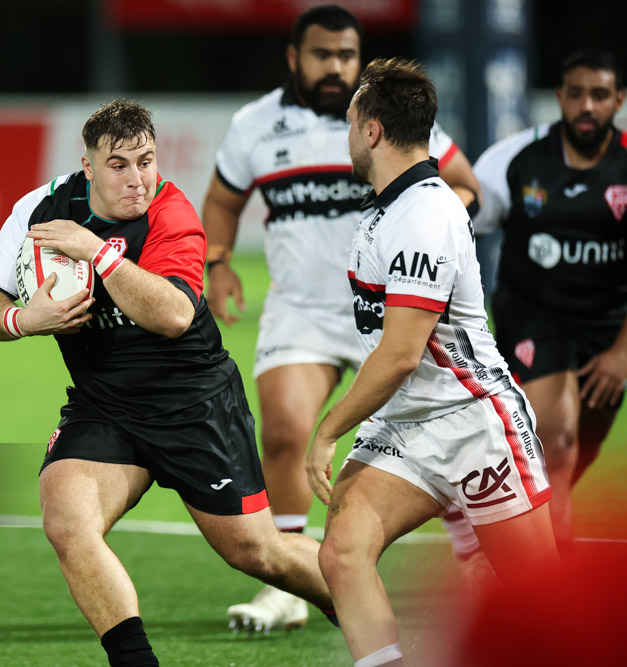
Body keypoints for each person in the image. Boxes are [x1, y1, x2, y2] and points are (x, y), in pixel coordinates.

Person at [0, 99, 336, 667]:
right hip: (105, 406)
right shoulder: (41, 209)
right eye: (119, 165)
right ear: (87, 167)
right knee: (68, 521)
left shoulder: (173, 214)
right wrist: (23, 319)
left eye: (146, 161)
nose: (137, 179)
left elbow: (172, 316)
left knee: (257, 552)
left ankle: (359, 604)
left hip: (194, 404)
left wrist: (97, 253)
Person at [202, 4, 481, 633]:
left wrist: (433, 226)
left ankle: (474, 560)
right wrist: (218, 262)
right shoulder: (255, 125)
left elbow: (466, 185)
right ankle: (289, 584)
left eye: (347, 56)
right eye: (323, 55)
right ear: (294, 59)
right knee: (282, 431)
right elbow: (221, 200)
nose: (336, 67)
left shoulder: (391, 118)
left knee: (441, 431)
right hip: (301, 308)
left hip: (393, 313)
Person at [304, 59, 561, 667]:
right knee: (342, 551)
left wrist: (329, 430)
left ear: (371, 131)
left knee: (541, 606)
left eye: (349, 123)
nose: (346, 136)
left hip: (475, 425)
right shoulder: (385, 206)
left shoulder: (425, 212)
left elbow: (399, 355)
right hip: (406, 428)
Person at [446, 49, 627, 568]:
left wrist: (623, 351)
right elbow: (457, 226)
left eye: (599, 95)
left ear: (618, 101)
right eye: (575, 93)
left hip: (605, 328)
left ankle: (488, 518)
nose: (586, 105)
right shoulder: (514, 160)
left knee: (570, 462)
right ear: (558, 97)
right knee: (555, 442)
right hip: (533, 316)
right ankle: (549, 587)